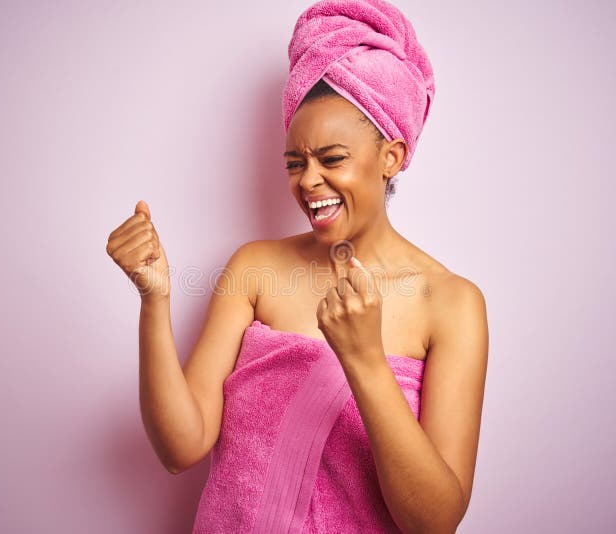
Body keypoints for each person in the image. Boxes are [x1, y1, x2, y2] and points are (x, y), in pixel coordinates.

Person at [106, 1, 488, 532]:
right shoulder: (255, 268)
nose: (308, 181)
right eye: (295, 163)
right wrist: (154, 300)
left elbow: (435, 521)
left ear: (391, 157)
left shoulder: (450, 304)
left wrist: (364, 359)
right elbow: (180, 447)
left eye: (332, 159)